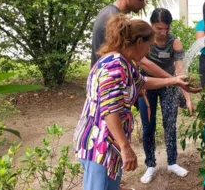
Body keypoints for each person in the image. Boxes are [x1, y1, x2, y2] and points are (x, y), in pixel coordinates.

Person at [73, 14, 189, 190]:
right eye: (148, 46)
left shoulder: (122, 62)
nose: (148, 51)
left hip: (108, 145)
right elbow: (110, 111)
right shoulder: (115, 65)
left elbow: (142, 81)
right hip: (101, 146)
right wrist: (126, 147)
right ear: (139, 42)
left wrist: (175, 81)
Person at [138, 8, 193, 183]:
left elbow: (179, 70)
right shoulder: (143, 40)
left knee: (170, 123)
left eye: (166, 28)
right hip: (146, 85)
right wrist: (173, 80)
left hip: (169, 85)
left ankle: (172, 162)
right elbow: (142, 64)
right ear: (151, 24)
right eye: (158, 28)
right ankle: (150, 165)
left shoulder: (174, 41)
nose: (163, 32)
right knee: (148, 126)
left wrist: (187, 97)